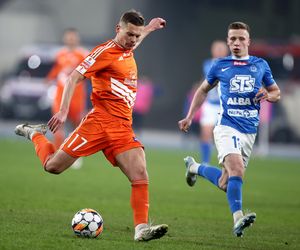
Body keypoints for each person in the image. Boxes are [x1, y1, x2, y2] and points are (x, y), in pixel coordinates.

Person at [15, 10, 168, 241]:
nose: (133, 40)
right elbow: (74, 77)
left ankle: (141, 229)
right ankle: (35, 134)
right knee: (52, 166)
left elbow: (133, 42)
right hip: (98, 124)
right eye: (130, 34)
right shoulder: (104, 52)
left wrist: (150, 29)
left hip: (122, 127)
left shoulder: (127, 48)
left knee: (139, 173)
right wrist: (64, 111)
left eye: (137, 36)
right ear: (119, 30)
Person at [178, 22, 280, 237]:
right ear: (228, 41)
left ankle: (195, 167)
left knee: (227, 182)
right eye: (232, 38)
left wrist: (270, 96)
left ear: (248, 41)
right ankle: (238, 218)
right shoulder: (219, 66)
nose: (237, 42)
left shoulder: (260, 65)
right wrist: (189, 116)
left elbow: (276, 92)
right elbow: (202, 90)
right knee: (237, 170)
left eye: (241, 38)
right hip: (227, 126)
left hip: (249, 131)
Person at [46, 28, 89, 150]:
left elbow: (89, 73)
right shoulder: (59, 54)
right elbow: (56, 70)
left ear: (77, 38)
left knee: (77, 125)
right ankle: (57, 152)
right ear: (64, 38)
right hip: (60, 95)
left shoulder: (83, 54)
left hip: (76, 96)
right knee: (57, 124)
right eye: (68, 37)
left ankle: (73, 153)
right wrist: (49, 78)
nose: (70, 39)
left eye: (73, 37)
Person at [199, 40, 228, 164]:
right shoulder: (208, 64)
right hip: (210, 104)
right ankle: (205, 162)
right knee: (206, 133)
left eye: (222, 49)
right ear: (212, 50)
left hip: (225, 106)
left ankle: (227, 163)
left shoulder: (231, 64)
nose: (219, 51)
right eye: (217, 49)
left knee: (225, 137)